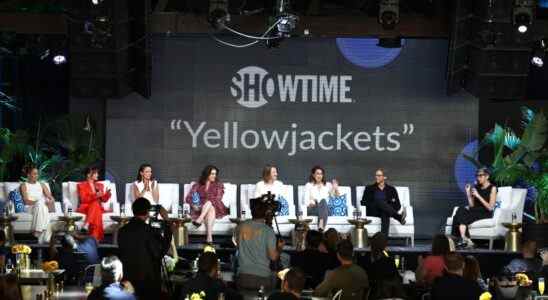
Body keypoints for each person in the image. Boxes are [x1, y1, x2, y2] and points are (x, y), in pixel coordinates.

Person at [117, 197, 174, 299]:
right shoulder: (150, 231)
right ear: (147, 212)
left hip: (127, 283)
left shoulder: (122, 231)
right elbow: (159, 253)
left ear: (133, 211)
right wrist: (167, 221)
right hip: (148, 285)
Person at [234, 195, 285, 293]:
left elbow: (238, 245)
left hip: (242, 276)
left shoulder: (241, 227)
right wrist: (279, 248)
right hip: (262, 278)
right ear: (266, 213)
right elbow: (273, 257)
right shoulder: (268, 231)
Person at [451, 167, 497, 248]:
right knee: (460, 210)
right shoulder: (476, 187)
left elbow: (490, 208)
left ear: (487, 176)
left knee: (458, 216)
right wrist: (468, 193)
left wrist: (478, 196)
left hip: (485, 212)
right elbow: (472, 205)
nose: (478, 178)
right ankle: (464, 238)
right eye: (477, 176)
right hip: (475, 210)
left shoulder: (493, 188)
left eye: (480, 176)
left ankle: (463, 239)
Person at [185, 165, 226, 243]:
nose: (214, 176)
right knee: (209, 208)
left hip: (216, 206)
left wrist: (207, 203)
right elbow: (188, 198)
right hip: (200, 208)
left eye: (215, 174)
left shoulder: (218, 185)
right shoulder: (197, 185)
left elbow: (218, 198)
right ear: (207, 174)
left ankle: (200, 219)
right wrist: (194, 205)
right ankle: (209, 238)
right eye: (212, 174)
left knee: (210, 204)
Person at [360, 169, 406, 237]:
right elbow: (363, 202)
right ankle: (398, 217)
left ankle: (383, 242)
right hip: (373, 211)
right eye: (376, 175)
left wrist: (388, 208)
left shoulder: (392, 189)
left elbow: (397, 205)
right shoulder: (369, 188)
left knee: (385, 213)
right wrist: (374, 204)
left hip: (386, 211)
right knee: (379, 201)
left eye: (379, 175)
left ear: (384, 177)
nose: (376, 177)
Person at [20, 164, 55, 244]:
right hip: (30, 207)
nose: (37, 176)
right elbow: (25, 201)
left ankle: (38, 232)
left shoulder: (42, 185)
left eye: (37, 174)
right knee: (40, 203)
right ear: (29, 175)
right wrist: (38, 202)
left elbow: (50, 197)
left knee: (42, 206)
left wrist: (51, 201)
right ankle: (44, 234)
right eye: (34, 174)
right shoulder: (24, 185)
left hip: (42, 206)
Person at [77, 166, 112, 241]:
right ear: (88, 175)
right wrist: (95, 195)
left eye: (97, 173)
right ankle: (95, 239)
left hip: (96, 208)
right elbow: (83, 200)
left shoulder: (100, 185)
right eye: (95, 173)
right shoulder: (81, 185)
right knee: (96, 204)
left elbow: (103, 200)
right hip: (86, 207)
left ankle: (87, 224)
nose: (97, 175)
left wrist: (107, 194)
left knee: (96, 205)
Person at [367, 232, 405, 300]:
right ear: (384, 245)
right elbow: (398, 279)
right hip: (386, 295)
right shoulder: (388, 261)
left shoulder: (364, 260)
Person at [303, 166, 340, 231]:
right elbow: (306, 201)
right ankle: (321, 227)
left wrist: (335, 188)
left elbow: (336, 196)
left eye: (321, 174)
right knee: (323, 203)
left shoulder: (327, 185)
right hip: (313, 209)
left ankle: (321, 226)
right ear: (313, 175)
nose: (319, 176)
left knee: (323, 202)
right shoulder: (308, 185)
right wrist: (313, 203)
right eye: (317, 173)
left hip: (326, 209)